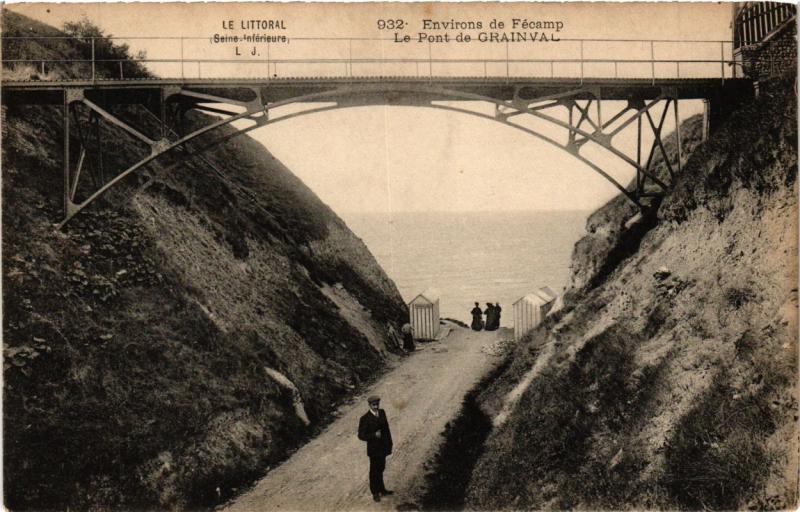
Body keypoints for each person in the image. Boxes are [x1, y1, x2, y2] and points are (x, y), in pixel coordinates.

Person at [357, 395, 394, 502]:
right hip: (374, 450)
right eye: (374, 405)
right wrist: (373, 435)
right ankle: (375, 493)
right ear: (369, 405)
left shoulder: (382, 413)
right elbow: (361, 435)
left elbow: (387, 430)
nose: (376, 406)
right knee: (374, 472)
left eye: (377, 404)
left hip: (383, 447)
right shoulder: (364, 419)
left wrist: (389, 444)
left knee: (381, 469)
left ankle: (382, 490)